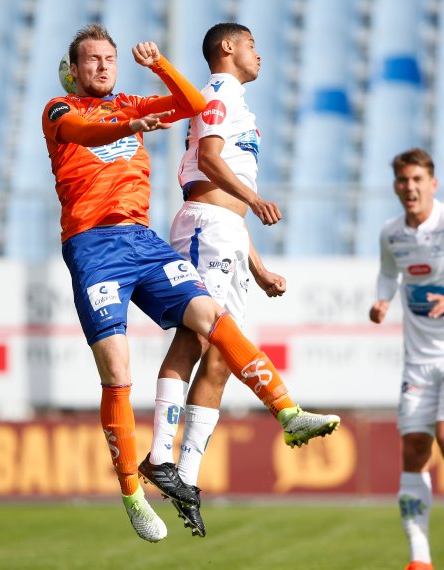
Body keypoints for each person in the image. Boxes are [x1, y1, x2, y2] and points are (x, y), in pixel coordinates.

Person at [43, 23, 337, 543]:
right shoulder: (60, 110)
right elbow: (85, 135)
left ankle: (287, 411)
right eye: (92, 60)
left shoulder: (132, 101)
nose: (104, 67)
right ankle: (132, 492)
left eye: (109, 58)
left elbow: (193, 100)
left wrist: (159, 65)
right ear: (75, 69)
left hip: (141, 238)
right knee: (116, 368)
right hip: (92, 245)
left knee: (209, 319)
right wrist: (127, 124)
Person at [137, 22, 341, 538]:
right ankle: (162, 455)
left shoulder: (237, 102)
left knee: (222, 357)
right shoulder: (221, 91)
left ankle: (184, 475)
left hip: (225, 231)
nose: (259, 53)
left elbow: (223, 191)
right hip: (207, 227)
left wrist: (258, 266)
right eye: (253, 43)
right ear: (228, 48)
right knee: (198, 332)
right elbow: (207, 162)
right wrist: (253, 199)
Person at [368, 148, 444, 570]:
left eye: (418, 179)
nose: (411, 187)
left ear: (433, 184)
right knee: (414, 450)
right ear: (395, 186)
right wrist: (382, 300)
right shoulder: (391, 233)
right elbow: (389, 270)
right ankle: (420, 560)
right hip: (418, 362)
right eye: (404, 180)